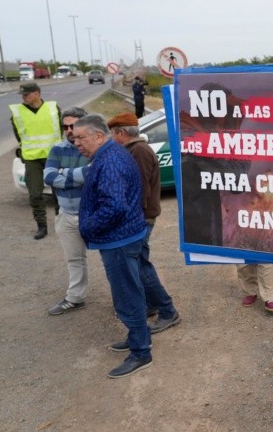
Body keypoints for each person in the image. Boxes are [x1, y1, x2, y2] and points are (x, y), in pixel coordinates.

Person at [72, 114, 154, 378]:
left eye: (80, 137)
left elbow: (114, 206)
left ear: (99, 136)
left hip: (119, 240)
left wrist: (87, 227)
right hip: (124, 235)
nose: (76, 143)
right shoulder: (111, 154)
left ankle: (141, 352)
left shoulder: (110, 161)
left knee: (127, 295)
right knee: (131, 290)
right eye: (74, 138)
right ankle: (137, 337)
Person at [107, 112, 181, 336]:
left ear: (121, 132)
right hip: (138, 218)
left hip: (139, 219)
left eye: (112, 133)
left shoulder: (138, 151)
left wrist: (129, 221)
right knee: (138, 263)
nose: (111, 138)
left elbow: (139, 191)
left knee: (140, 265)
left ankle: (167, 311)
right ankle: (151, 304)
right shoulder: (132, 150)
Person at [44, 107, 90, 315]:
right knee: (74, 259)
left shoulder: (93, 147)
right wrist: (76, 177)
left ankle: (123, 302)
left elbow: (92, 175)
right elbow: (49, 177)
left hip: (92, 214)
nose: (69, 130)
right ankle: (75, 298)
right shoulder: (57, 148)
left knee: (111, 259)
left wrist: (63, 174)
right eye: (65, 127)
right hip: (66, 214)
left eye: (74, 125)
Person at [10, 82, 62, 239]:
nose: (24, 98)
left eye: (26, 95)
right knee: (35, 193)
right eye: (22, 95)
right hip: (32, 158)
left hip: (53, 156)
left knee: (59, 191)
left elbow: (60, 130)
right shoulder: (17, 112)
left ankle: (62, 222)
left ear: (37, 94)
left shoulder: (53, 108)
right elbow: (19, 136)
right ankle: (41, 226)